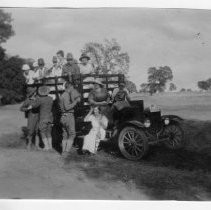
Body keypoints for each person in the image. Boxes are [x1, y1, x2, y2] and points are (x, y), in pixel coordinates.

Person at [28, 86, 54, 151]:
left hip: (43, 118)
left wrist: (30, 106)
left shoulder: (40, 99)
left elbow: (35, 105)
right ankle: (50, 146)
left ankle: (46, 146)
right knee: (49, 132)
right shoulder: (50, 98)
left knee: (42, 132)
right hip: (50, 118)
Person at [59, 81, 81, 155]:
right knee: (72, 134)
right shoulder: (66, 95)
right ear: (70, 87)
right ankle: (66, 151)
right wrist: (75, 101)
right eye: (72, 87)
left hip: (63, 116)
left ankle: (63, 151)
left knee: (65, 134)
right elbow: (67, 107)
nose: (73, 89)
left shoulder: (63, 95)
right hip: (68, 116)